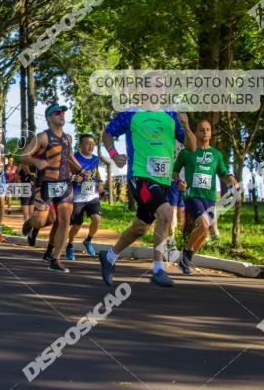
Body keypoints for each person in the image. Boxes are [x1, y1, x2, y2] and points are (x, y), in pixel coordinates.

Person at [98, 93, 195, 287]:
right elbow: (107, 133)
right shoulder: (131, 113)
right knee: (166, 214)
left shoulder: (170, 115)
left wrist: (186, 125)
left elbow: (191, 147)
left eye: (160, 86)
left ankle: (109, 256)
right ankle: (158, 269)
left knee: (140, 227)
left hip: (163, 181)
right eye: (152, 85)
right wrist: (114, 155)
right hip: (140, 176)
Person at [20, 104, 83, 273]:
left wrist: (82, 170)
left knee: (65, 219)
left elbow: (69, 158)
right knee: (43, 221)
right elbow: (23, 156)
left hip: (65, 184)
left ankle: (56, 259)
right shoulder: (43, 137)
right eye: (57, 113)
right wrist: (36, 162)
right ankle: (32, 224)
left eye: (63, 112)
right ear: (49, 118)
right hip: (47, 184)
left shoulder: (68, 138)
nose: (61, 115)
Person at [173, 119, 237, 275]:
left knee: (206, 232)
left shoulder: (216, 154)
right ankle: (186, 254)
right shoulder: (187, 152)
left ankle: (186, 258)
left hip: (209, 197)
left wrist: (232, 180)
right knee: (202, 224)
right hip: (191, 194)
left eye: (208, 129)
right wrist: (179, 182)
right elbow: (174, 172)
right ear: (196, 133)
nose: (205, 132)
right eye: (201, 129)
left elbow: (223, 173)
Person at [66, 133, 103, 259]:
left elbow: (96, 172)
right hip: (77, 197)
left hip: (92, 195)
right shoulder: (74, 158)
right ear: (81, 145)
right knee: (77, 225)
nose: (91, 146)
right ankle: (70, 245)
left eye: (93, 144)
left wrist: (101, 182)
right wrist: (76, 178)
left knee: (97, 219)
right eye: (87, 143)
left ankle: (88, 240)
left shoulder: (95, 158)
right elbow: (68, 175)